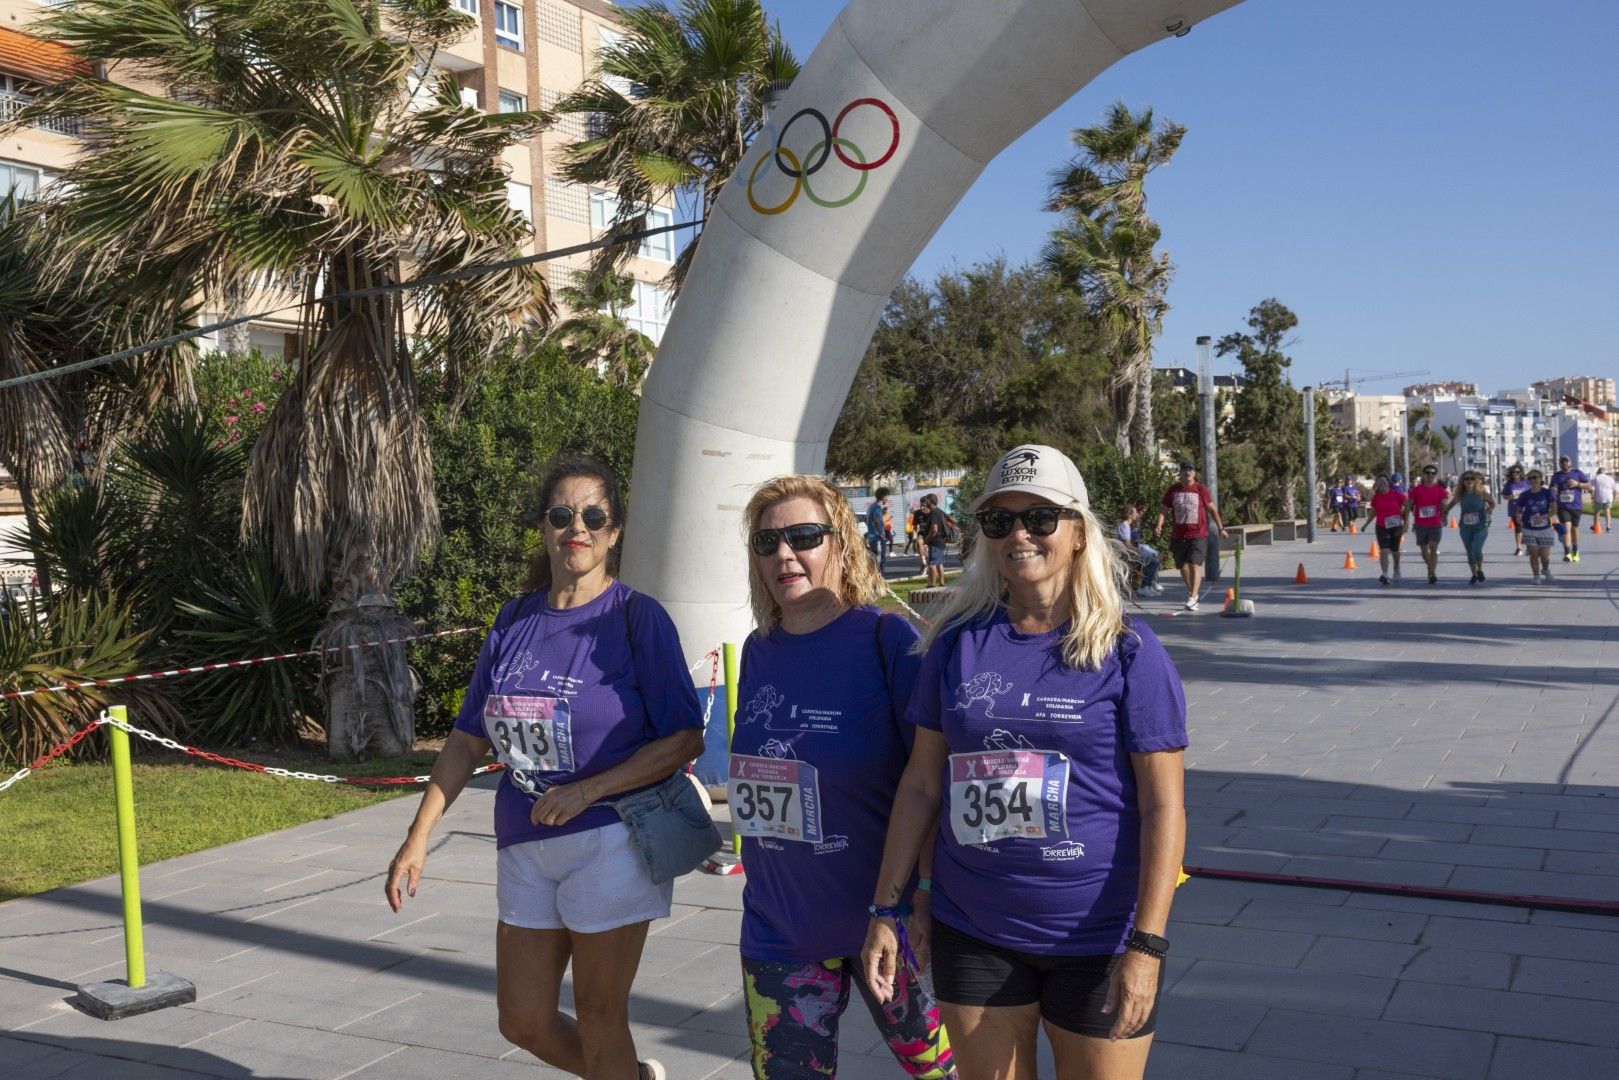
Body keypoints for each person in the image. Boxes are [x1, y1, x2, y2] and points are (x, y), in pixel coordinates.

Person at [861, 443, 1188, 1080]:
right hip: (975, 926)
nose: (1019, 534)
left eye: (1040, 518)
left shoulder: (1128, 651)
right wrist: (889, 908)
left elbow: (1164, 805)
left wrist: (1147, 946)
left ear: (1078, 532)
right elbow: (925, 783)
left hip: (1097, 935)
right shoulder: (956, 642)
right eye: (999, 520)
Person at [386, 455, 705, 1080]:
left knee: (597, 1012)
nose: (576, 527)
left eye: (593, 516)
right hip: (525, 841)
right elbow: (466, 739)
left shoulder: (637, 618)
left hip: (612, 836)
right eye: (562, 515)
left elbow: (685, 738)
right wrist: (417, 838)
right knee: (523, 1019)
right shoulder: (515, 620)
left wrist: (591, 789)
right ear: (543, 527)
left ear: (613, 532)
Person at [734, 475, 956, 1080]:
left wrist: (926, 897)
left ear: (841, 545)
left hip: (884, 920)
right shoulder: (758, 651)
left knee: (944, 1073)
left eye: (804, 536)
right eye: (767, 541)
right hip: (780, 925)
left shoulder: (888, 640)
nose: (785, 553)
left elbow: (931, 781)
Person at [1152, 461, 1228, 611]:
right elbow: (1163, 509)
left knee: (1194, 564)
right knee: (1183, 567)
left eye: (1190, 470)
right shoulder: (1173, 490)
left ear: (1194, 473)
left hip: (1198, 534)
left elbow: (1212, 510)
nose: (1187, 473)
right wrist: (1159, 525)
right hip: (1179, 535)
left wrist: (1221, 528)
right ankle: (1192, 592)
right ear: (1180, 473)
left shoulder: (1201, 489)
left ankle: (1193, 597)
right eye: (1185, 470)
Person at [1444, 471, 1495, 584]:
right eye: (1466, 479)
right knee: (1469, 552)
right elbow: (1450, 505)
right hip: (1465, 527)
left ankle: (1480, 570)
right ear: (1462, 481)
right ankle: (1474, 574)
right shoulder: (1461, 494)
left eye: (1472, 478)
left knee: (1476, 549)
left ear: (1475, 480)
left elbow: (1492, 503)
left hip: (1481, 526)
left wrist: (1489, 510)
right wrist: (1445, 513)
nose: (1469, 481)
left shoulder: (1481, 492)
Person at [1365, 473, 1407, 586]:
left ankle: (1396, 568)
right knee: (1383, 550)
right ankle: (1385, 574)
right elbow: (1374, 512)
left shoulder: (1396, 495)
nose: (1382, 483)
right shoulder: (1376, 497)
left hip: (1396, 526)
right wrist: (1366, 524)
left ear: (1388, 483)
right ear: (1377, 485)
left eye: (1384, 481)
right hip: (1381, 526)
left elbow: (1407, 506)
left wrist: (1406, 521)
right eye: (1380, 482)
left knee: (1395, 550)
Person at [1408, 465, 1448, 585]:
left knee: (1433, 547)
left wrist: (1445, 517)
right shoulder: (1415, 490)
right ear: (1423, 475)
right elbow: (1409, 504)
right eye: (1427, 473)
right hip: (1420, 524)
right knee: (1424, 550)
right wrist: (1407, 520)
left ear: (1436, 476)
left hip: (1435, 524)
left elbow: (1444, 505)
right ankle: (1430, 568)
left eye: (1433, 473)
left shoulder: (1441, 491)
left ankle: (1432, 573)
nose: (1430, 475)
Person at [1517, 470, 1558, 583]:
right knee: (1534, 553)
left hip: (1545, 528)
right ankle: (1536, 576)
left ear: (1540, 478)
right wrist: (1519, 516)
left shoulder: (1547, 493)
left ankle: (1545, 569)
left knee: (1545, 556)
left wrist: (1544, 517)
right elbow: (1519, 509)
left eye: (1534, 477)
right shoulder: (1524, 495)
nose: (1532, 480)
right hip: (1528, 528)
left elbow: (1554, 509)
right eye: (1529, 478)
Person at [1550, 456, 1592, 562]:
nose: (1564, 463)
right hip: (1563, 507)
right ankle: (1567, 553)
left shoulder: (1578, 473)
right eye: (1561, 462)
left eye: (1566, 461)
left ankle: (1575, 552)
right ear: (1559, 464)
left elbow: (1589, 485)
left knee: (1575, 528)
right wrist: (1553, 489)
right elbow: (1551, 488)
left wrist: (1577, 484)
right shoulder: (1556, 475)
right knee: (1566, 527)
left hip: (1576, 505)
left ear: (1570, 462)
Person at [1116, 503, 1163, 596]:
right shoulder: (1125, 526)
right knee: (1153, 561)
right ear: (1129, 515)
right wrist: (1139, 551)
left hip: (1127, 552)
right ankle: (1145, 586)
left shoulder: (1126, 525)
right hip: (1126, 554)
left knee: (1154, 559)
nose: (1136, 514)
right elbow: (1126, 545)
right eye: (1134, 513)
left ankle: (1149, 585)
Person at [921, 494, 952, 588]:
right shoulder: (939, 511)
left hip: (935, 542)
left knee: (932, 564)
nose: (925, 503)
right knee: (939, 564)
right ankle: (942, 582)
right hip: (941, 542)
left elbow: (934, 529)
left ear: (929, 502)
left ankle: (932, 584)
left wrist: (926, 539)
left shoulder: (933, 513)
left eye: (926, 501)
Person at [1501, 465, 1530, 557]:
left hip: (1526, 508)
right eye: (1513, 472)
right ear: (1511, 473)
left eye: (1517, 472)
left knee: (1527, 528)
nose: (1515, 474)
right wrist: (1511, 497)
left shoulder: (1526, 483)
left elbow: (1531, 492)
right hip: (1514, 508)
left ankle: (1529, 547)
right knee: (1518, 528)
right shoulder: (1509, 484)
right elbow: (1504, 496)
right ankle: (1519, 547)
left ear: (1520, 473)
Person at [867, 487, 892, 573]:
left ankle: (876, 581)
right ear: (883, 497)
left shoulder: (871, 507)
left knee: (874, 560)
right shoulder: (877, 508)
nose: (888, 499)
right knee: (880, 560)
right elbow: (877, 520)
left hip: (872, 538)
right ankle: (879, 580)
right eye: (887, 497)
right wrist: (882, 535)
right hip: (878, 538)